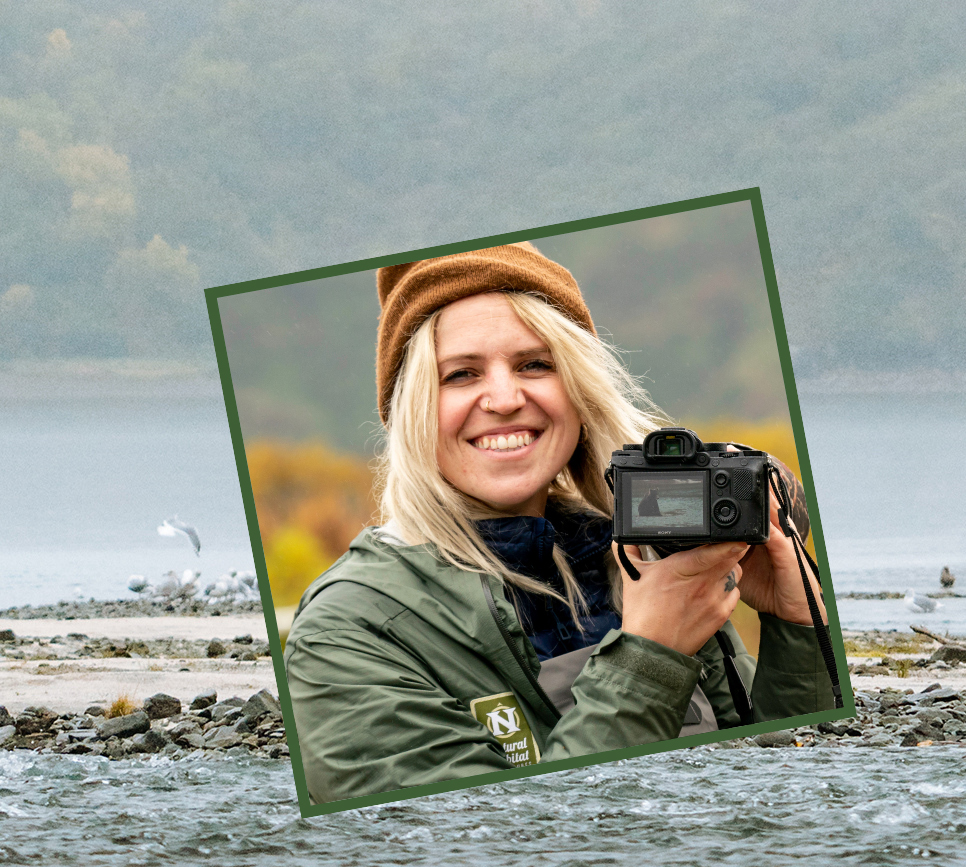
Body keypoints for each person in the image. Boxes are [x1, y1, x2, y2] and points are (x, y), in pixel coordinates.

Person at [285, 242, 835, 804]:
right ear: (410, 409)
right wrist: (649, 658)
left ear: (578, 390)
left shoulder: (646, 560)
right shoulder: (348, 630)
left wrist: (799, 629)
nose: (503, 398)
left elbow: (775, 805)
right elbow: (471, 857)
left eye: (535, 364)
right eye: (460, 374)